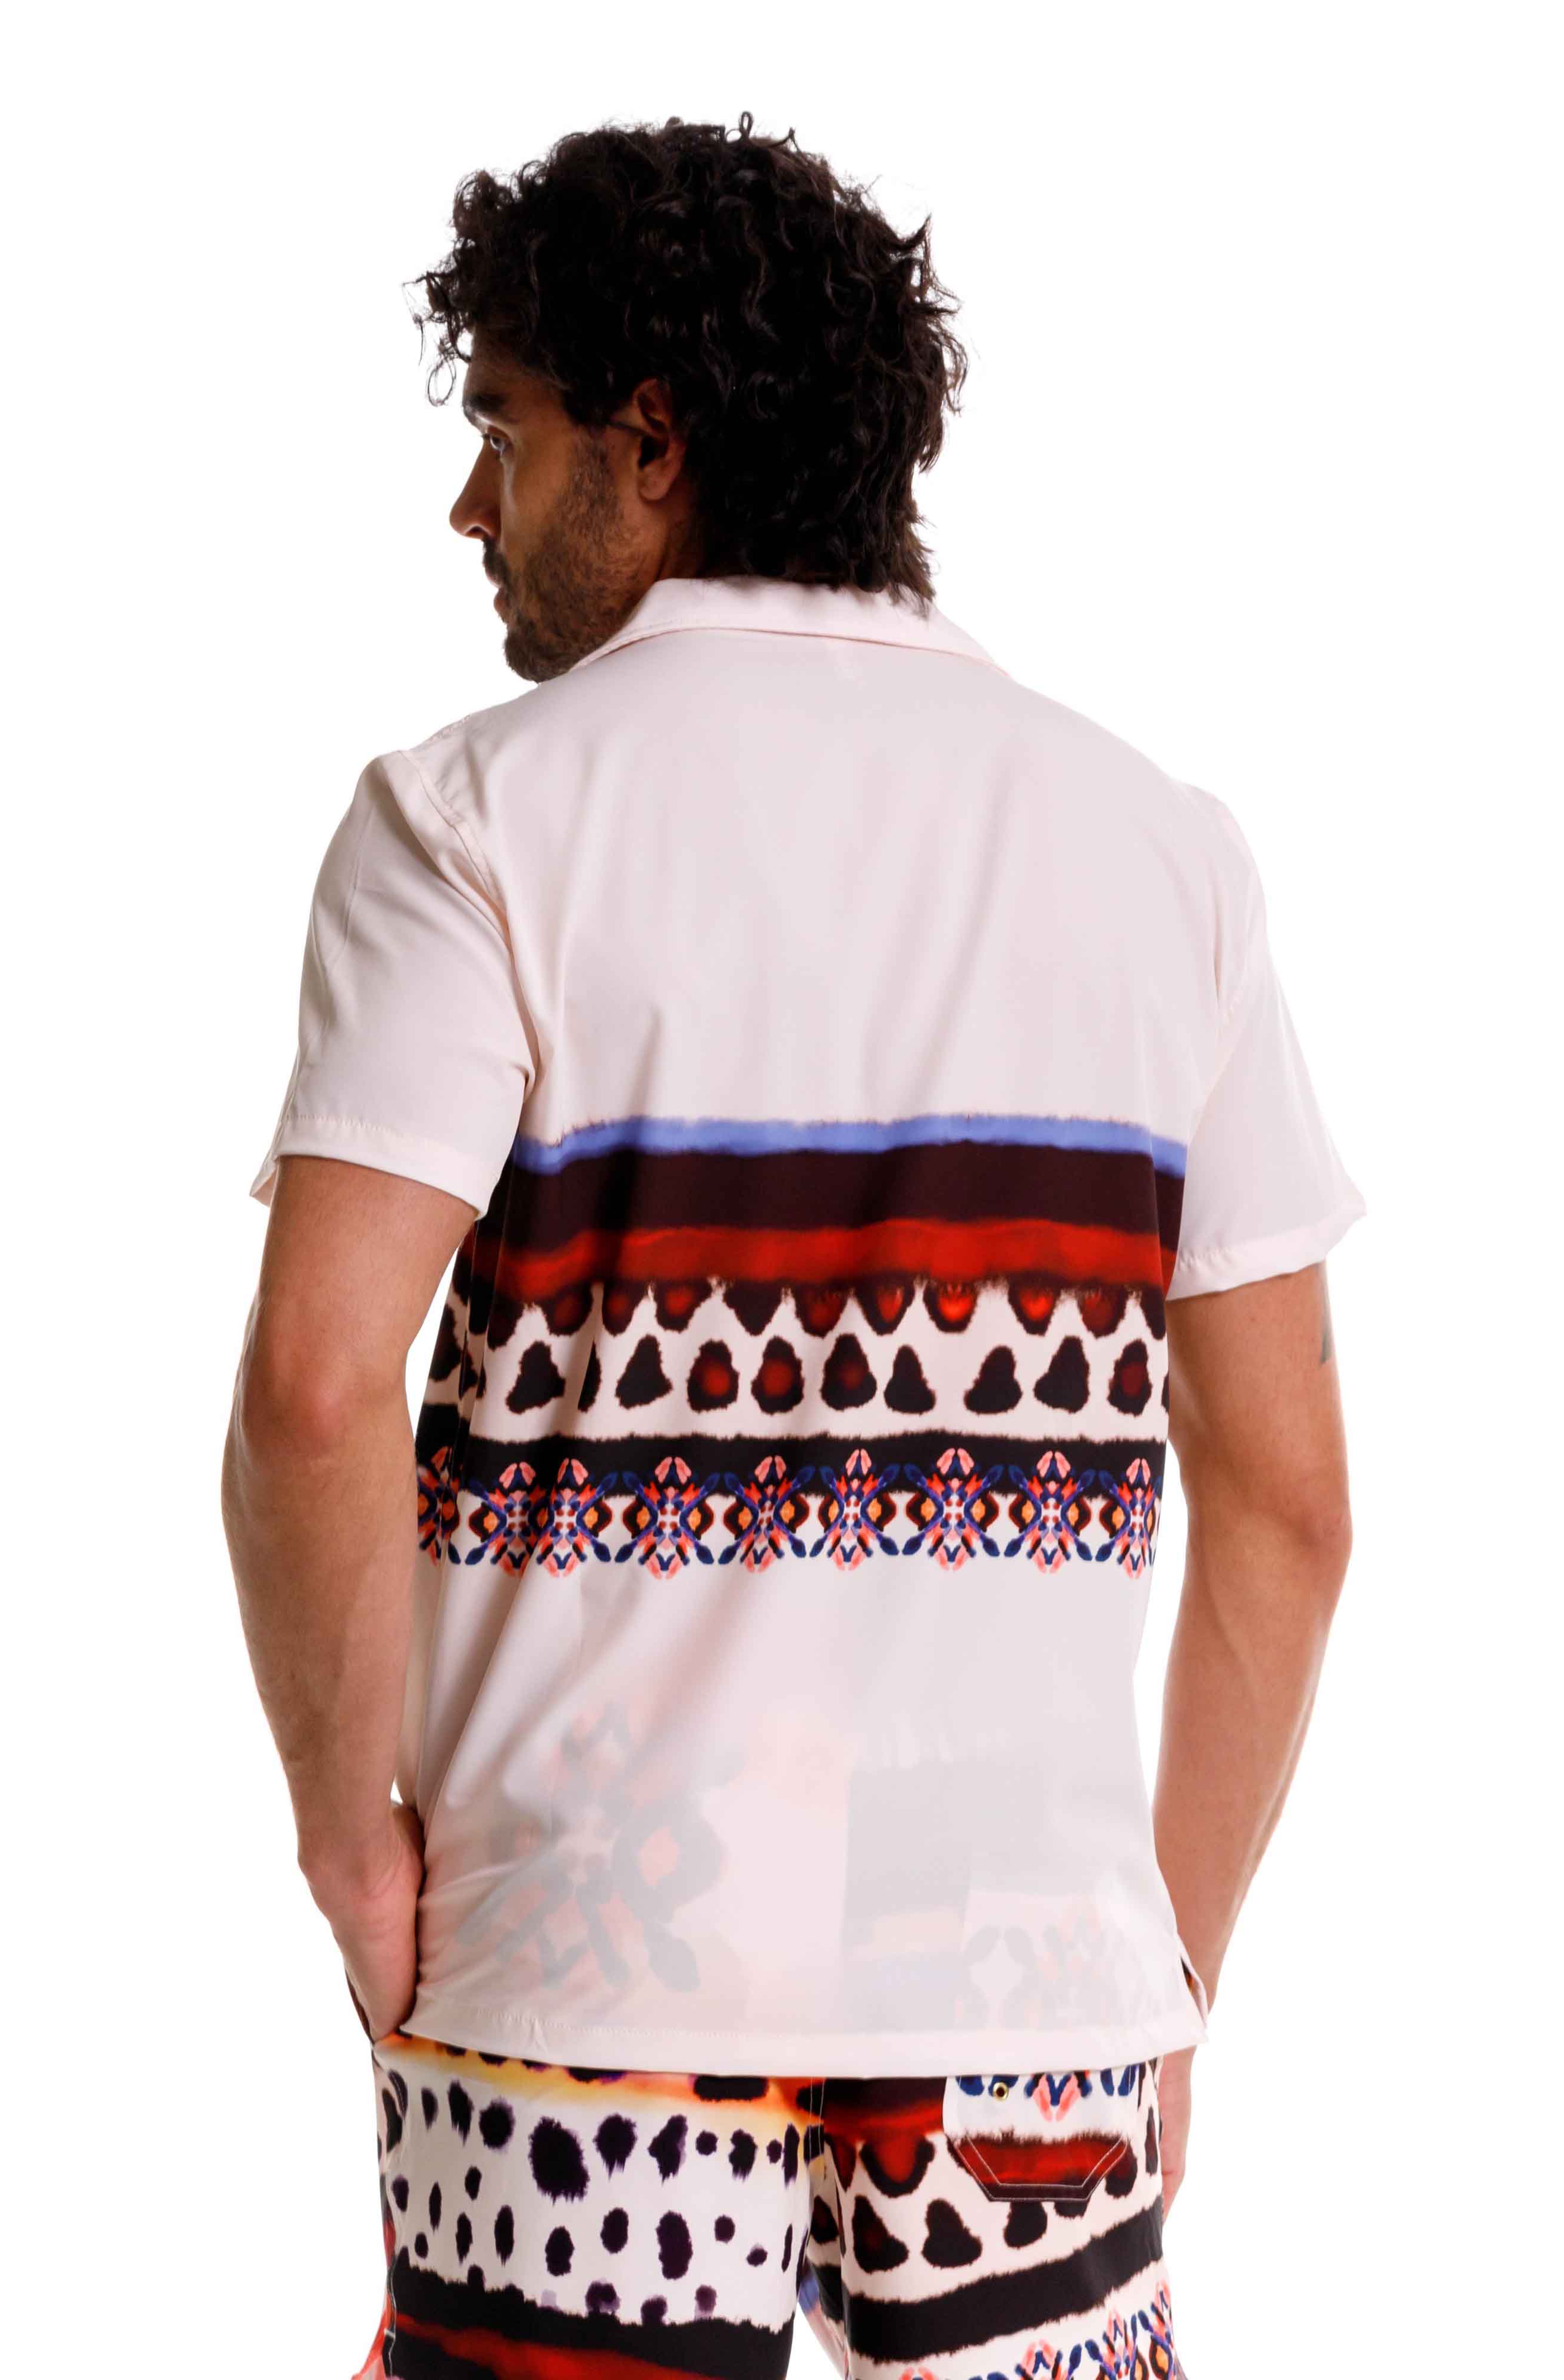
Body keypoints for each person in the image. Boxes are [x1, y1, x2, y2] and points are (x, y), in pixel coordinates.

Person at [222, 111, 1364, 2380]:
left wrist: (356, 1860)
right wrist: (1154, 1965)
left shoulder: (475, 819)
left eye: (503, 434)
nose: (472, 508)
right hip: (1019, 1973)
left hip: (580, 1959)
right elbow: (1292, 1500)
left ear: (649, 445)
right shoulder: (1159, 851)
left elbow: (317, 1386)